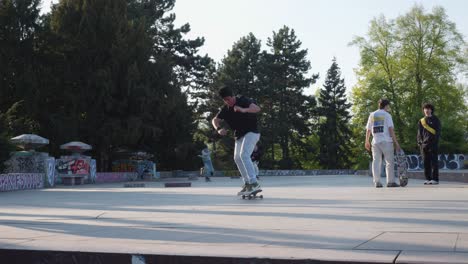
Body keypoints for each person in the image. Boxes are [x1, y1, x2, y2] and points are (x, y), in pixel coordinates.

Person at [212, 86, 261, 195]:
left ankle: (254, 182)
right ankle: (247, 183)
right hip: (239, 135)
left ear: (233, 96)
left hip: (252, 132)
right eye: (225, 100)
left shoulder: (242, 100)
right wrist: (219, 129)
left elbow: (257, 108)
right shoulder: (225, 109)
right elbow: (214, 120)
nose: (227, 102)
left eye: (229, 99)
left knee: (244, 155)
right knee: (237, 158)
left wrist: (244, 109)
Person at [365, 99, 401, 188]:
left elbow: (368, 129)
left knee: (376, 162)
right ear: (386, 106)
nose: (389, 107)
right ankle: (390, 182)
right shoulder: (387, 115)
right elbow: (391, 130)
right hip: (386, 141)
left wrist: (366, 141)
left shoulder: (372, 115)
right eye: (388, 106)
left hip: (375, 142)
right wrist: (396, 143)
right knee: (389, 162)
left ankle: (377, 182)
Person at [417, 103, 441, 185]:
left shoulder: (436, 119)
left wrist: (435, 142)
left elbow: (438, 132)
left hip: (433, 144)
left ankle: (435, 179)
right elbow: (419, 133)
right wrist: (419, 143)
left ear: (431, 110)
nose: (427, 110)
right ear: (423, 110)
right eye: (425, 109)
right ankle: (428, 178)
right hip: (424, 145)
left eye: (428, 109)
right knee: (426, 162)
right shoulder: (421, 121)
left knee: (434, 162)